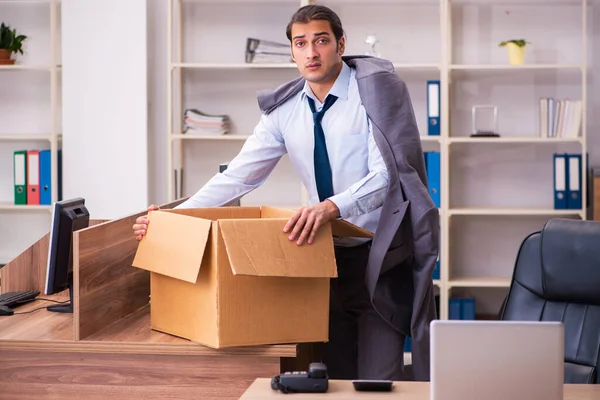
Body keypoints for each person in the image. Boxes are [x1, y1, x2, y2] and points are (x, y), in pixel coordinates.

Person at [132, 5, 438, 382]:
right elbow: (240, 176)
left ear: (340, 45)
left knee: (379, 381)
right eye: (301, 43)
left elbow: (388, 176)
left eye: (321, 41)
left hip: (379, 258)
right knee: (333, 378)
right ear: (291, 52)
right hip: (319, 258)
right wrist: (174, 218)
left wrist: (330, 207)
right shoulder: (285, 111)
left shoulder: (374, 95)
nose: (312, 52)